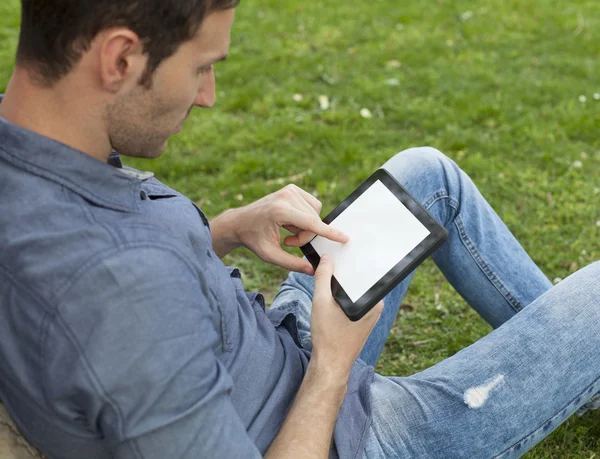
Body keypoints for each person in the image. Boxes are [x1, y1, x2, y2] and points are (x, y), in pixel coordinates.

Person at [0, 0, 598, 457]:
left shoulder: (36, 157)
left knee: (425, 177)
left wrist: (232, 228)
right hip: (343, 434)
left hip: (278, 348)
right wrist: (334, 363)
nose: (207, 96)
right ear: (121, 59)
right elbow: (126, 303)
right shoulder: (118, 287)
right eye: (201, 67)